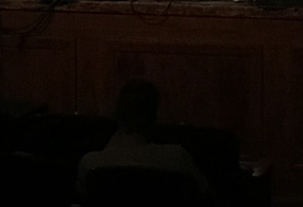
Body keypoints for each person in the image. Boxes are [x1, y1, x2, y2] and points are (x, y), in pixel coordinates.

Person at [77, 79, 209, 196]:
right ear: (154, 117)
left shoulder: (92, 163)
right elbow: (210, 201)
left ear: (117, 114)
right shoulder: (176, 158)